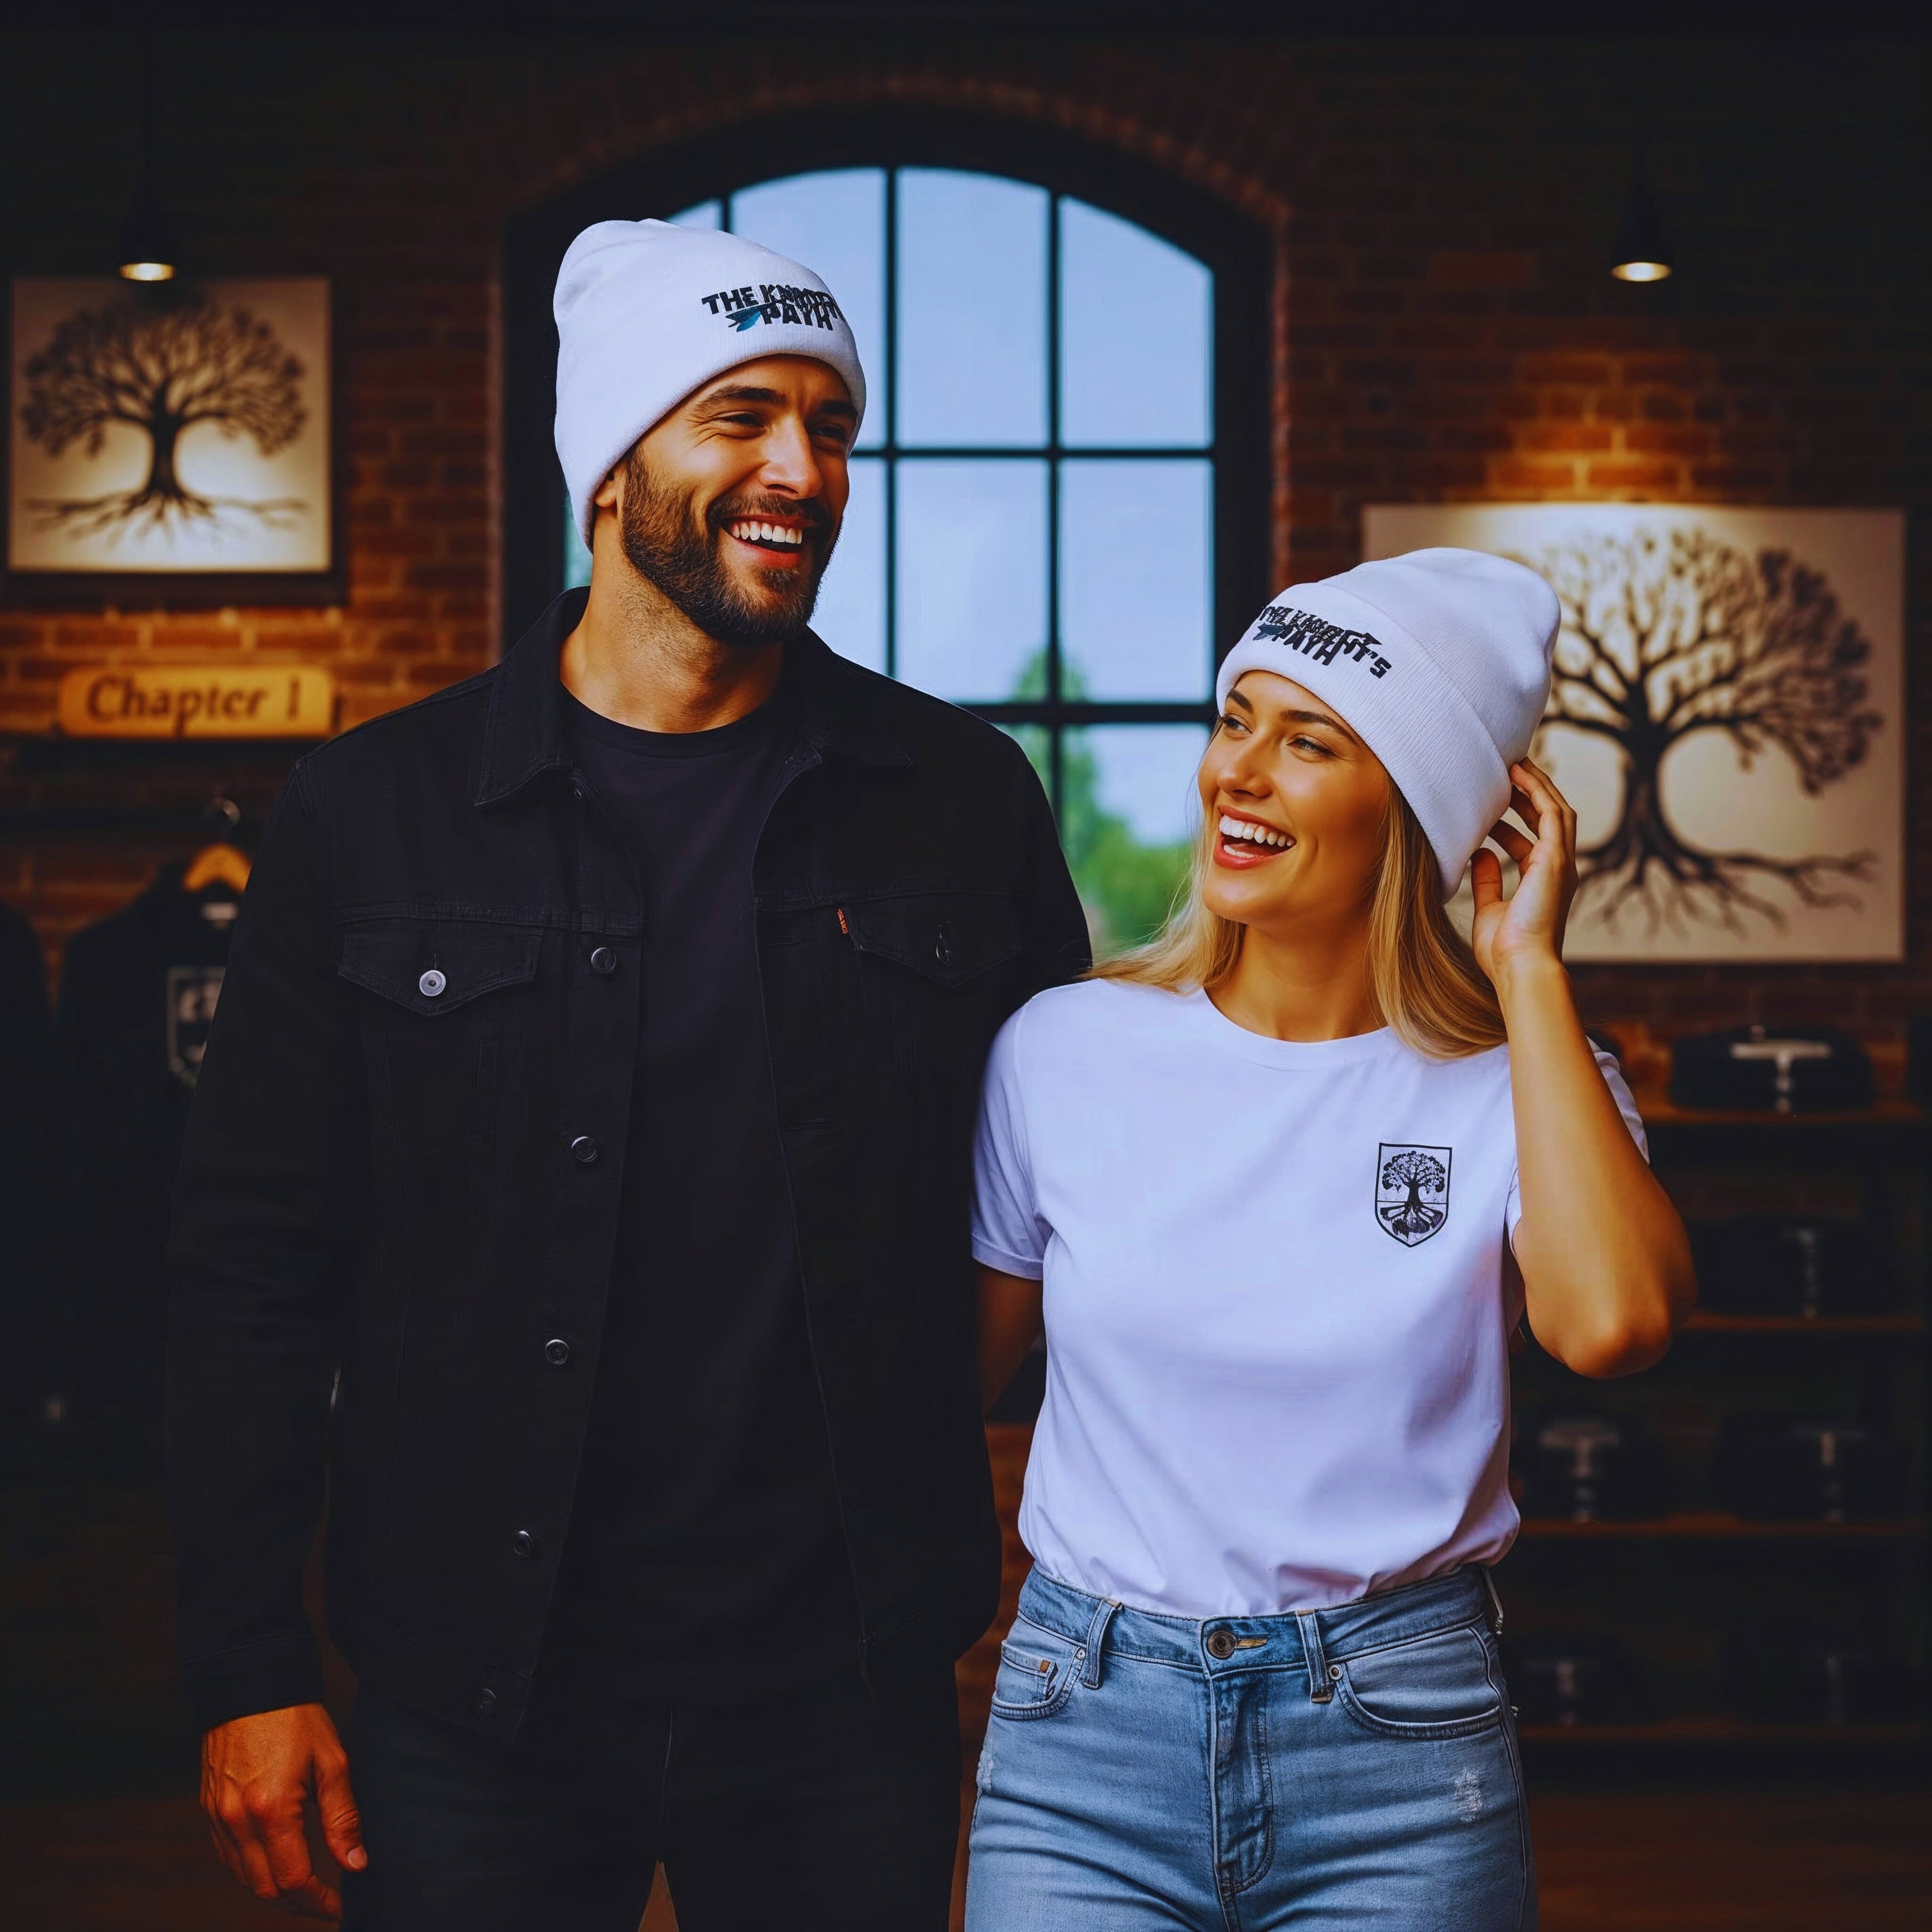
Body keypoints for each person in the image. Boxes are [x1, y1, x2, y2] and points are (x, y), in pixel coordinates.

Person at [167, 218, 1089, 1931]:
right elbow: (246, 1272)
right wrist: (244, 1662)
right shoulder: (373, 817)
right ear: (612, 467)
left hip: (845, 1685)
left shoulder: (957, 802)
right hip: (471, 1685)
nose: (802, 469)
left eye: (831, 427)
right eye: (741, 415)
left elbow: (1074, 1213)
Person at [967, 549, 1695, 1931]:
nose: (1237, 772)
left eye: (1308, 742)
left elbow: (1612, 1327)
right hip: (1083, 1734)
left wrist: (1527, 966)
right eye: (1234, 718)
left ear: (1422, 804)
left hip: (1400, 1749)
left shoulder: (1523, 1084)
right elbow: (934, 1386)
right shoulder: (1063, 1050)